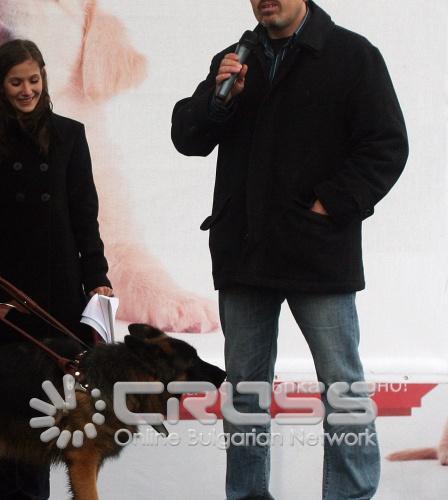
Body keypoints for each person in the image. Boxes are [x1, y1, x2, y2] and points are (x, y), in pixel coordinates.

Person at [171, 1, 408, 499]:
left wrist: (330, 205)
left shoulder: (352, 55)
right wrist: (218, 100)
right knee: (245, 389)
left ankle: (350, 494)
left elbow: (386, 145)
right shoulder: (237, 57)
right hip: (244, 252)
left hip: (317, 252)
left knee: (342, 383)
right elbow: (187, 138)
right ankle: (248, 493)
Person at [0, 39, 112, 500]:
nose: (27, 90)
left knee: (45, 412)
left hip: (54, 295)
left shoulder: (70, 135)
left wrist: (98, 277)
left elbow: (84, 216)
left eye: (34, 80)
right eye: (16, 82)